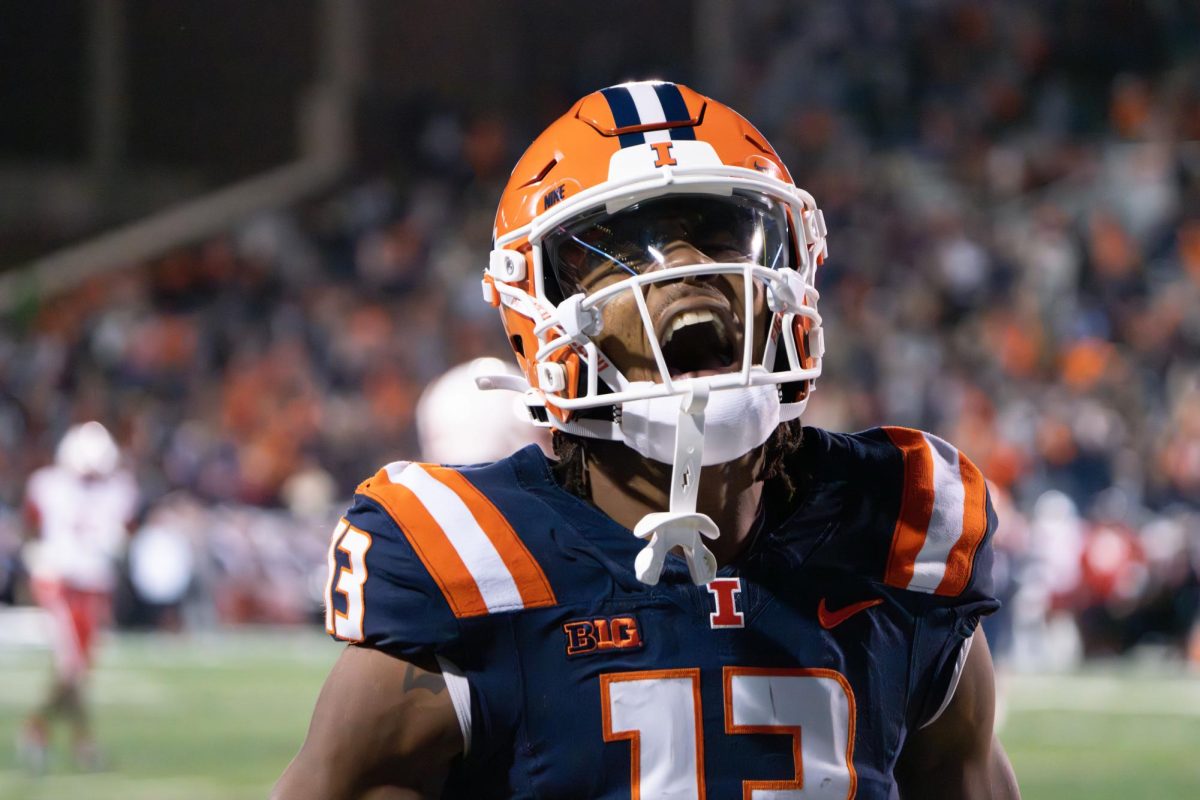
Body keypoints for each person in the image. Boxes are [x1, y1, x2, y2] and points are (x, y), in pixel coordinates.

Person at [275, 81, 1020, 799]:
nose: (692, 268)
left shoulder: (896, 530)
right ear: (542, 315)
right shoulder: (472, 568)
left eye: (724, 231)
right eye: (625, 247)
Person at [18, 421, 138, 772]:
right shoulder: (47, 485)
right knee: (72, 666)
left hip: (93, 585)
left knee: (76, 671)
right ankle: (78, 743)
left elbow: (122, 532)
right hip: (59, 580)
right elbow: (32, 529)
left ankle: (41, 731)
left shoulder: (120, 488)